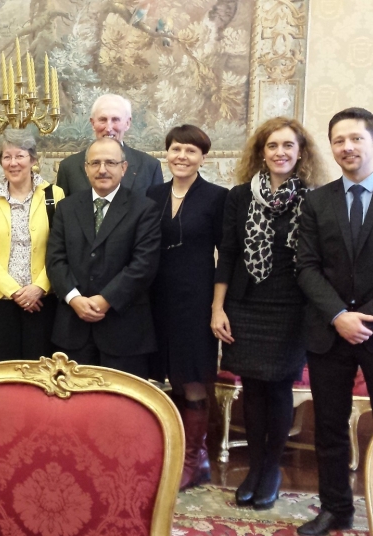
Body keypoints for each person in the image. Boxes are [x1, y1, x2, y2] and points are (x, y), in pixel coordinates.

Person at [211, 117, 323, 511]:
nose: (280, 152)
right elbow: (227, 253)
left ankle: (271, 470)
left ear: (300, 152)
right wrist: (218, 307)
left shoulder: (315, 198)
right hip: (245, 303)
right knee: (253, 389)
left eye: (288, 146)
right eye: (272, 145)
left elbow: (318, 260)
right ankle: (255, 471)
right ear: (262, 152)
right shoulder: (239, 196)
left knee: (277, 390)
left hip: (292, 307)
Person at [295, 107, 373, 536]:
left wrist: (363, 317)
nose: (347, 147)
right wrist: (340, 315)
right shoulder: (316, 200)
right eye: (339, 140)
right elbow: (306, 267)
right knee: (328, 427)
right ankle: (335, 509)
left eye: (356, 138)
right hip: (329, 331)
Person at [146, 125, 227, 490]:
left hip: (195, 301)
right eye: (176, 149)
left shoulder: (217, 197)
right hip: (155, 300)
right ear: (167, 153)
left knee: (193, 381)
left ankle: (196, 460)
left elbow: (227, 257)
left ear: (202, 157)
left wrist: (218, 306)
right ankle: (176, 453)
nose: (182, 156)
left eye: (191, 151)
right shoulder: (152, 194)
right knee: (168, 379)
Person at [46, 137, 161, 378]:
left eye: (110, 162)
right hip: (72, 329)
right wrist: (74, 298)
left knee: (122, 410)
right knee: (72, 410)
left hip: (124, 330)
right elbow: (55, 259)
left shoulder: (145, 208)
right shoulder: (66, 208)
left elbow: (143, 265)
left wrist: (106, 299)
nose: (102, 169)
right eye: (95, 163)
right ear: (86, 168)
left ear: (124, 168)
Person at [0, 128, 64, 361]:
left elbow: (62, 249)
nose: (13, 163)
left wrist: (39, 288)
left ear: (33, 159)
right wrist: (15, 291)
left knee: (41, 368)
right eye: (7, 156)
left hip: (43, 300)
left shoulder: (54, 195)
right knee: (5, 367)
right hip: (0, 302)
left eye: (20, 156)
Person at [57, 93, 163, 196]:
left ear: (127, 123)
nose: (108, 128)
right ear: (93, 123)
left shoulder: (150, 167)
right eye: (102, 120)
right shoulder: (69, 168)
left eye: (115, 120)